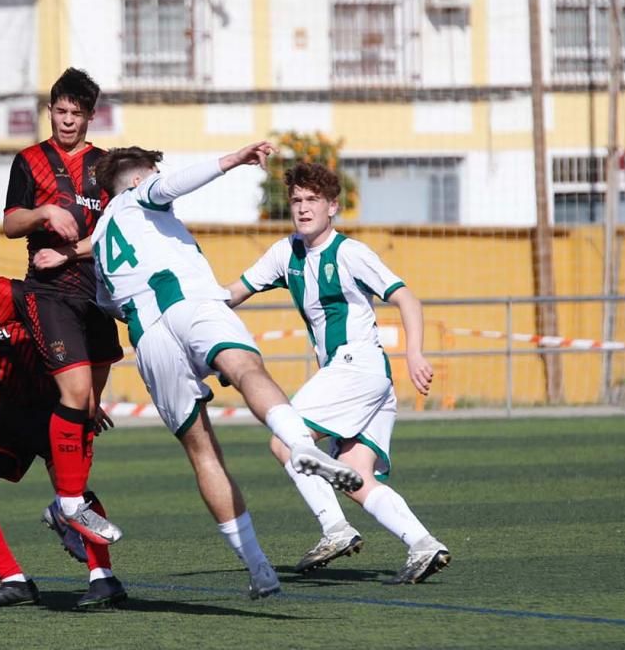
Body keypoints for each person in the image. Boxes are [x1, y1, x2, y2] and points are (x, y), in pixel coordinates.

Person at [90, 143, 364, 599]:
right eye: (155, 174)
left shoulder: (99, 239)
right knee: (245, 368)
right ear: (139, 180)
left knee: (203, 453)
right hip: (189, 303)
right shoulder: (143, 196)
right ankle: (301, 446)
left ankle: (258, 568)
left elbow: (106, 304)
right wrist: (234, 160)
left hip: (148, 337)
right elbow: (176, 182)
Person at [224, 162, 451, 584]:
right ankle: (424, 543)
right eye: (297, 200)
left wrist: (415, 354)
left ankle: (336, 529)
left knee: (284, 441)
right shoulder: (284, 253)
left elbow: (407, 299)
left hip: (358, 365)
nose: (304, 208)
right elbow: (232, 294)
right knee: (356, 476)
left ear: (333, 207)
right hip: (365, 379)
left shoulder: (350, 252)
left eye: (313, 200)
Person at [0, 208, 127, 610]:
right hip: (11, 413)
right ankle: (15, 581)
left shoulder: (12, 293)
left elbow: (78, 334)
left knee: (73, 494)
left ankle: (104, 579)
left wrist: (88, 397)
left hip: (56, 407)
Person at [3, 67, 125, 545]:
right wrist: (45, 213)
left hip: (96, 294)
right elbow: (12, 224)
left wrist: (73, 250)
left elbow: (117, 231)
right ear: (49, 110)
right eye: (60, 111)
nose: (67, 120)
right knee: (73, 394)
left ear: (92, 116)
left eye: (76, 113)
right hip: (49, 293)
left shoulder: (108, 165)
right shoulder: (29, 161)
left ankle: (64, 506)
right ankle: (74, 505)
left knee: (90, 409)